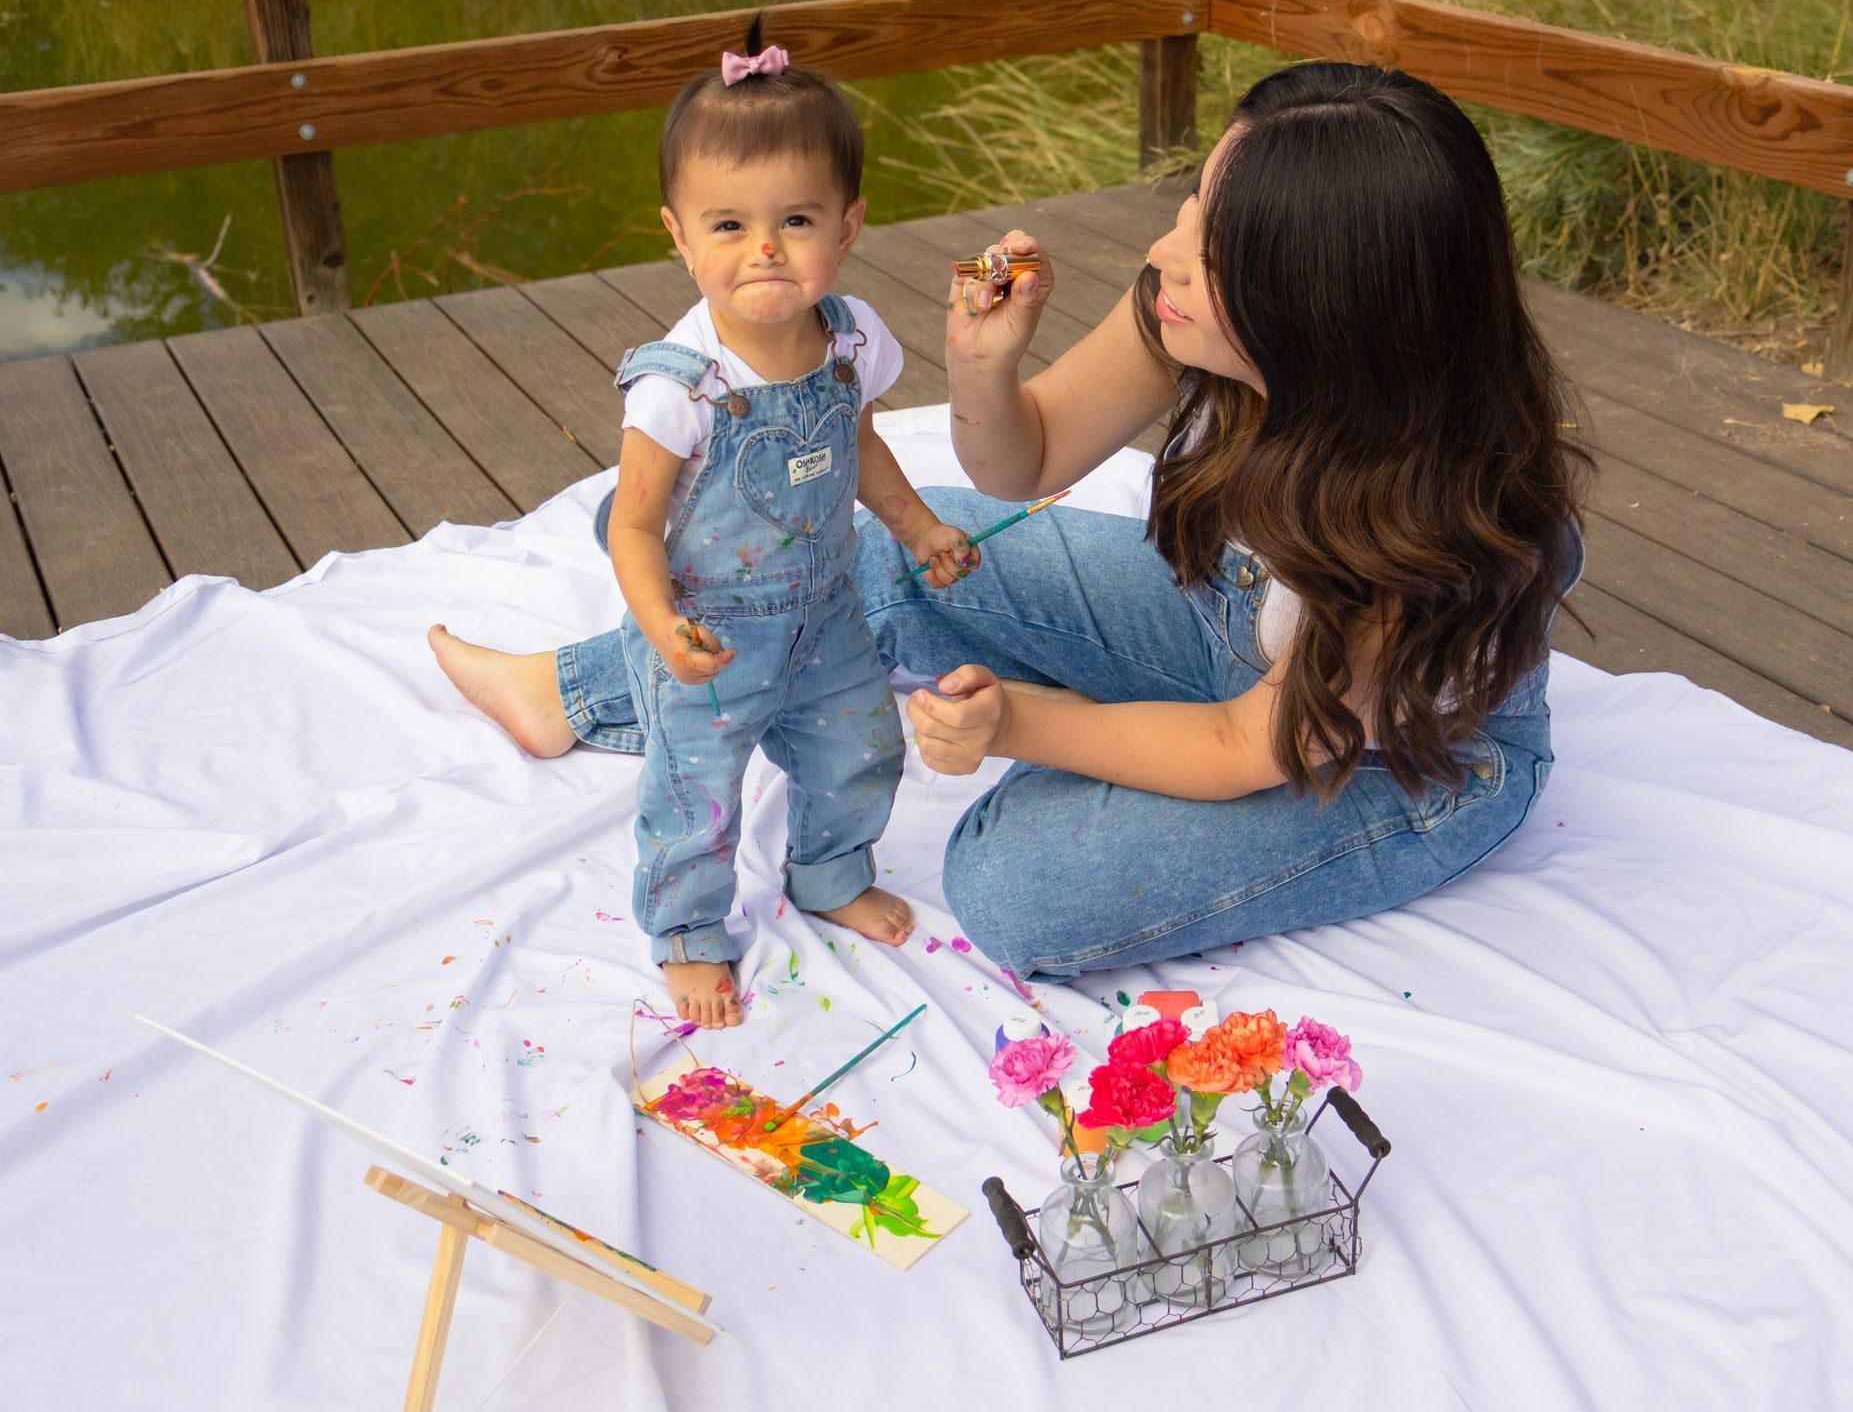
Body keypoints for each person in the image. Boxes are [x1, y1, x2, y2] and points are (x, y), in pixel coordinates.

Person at [432, 61, 1587, 985]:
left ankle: (1102, 759)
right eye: (1189, 209)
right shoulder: (1189, 304)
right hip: (1237, 631)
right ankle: (570, 691)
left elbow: (1249, 746)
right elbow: (1023, 458)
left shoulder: (1428, 522)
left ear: (1320, 309)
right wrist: (983, 365)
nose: (1163, 253)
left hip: (1393, 757)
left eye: (1212, 246)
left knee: (1009, 883)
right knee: (896, 554)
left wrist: (1020, 722)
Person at [433, 19, 977, 1029]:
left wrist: (919, 528)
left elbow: (860, 446)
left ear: (849, 227)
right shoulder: (680, 384)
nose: (764, 248)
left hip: (827, 609)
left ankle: (829, 873)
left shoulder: (851, 343)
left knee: (862, 746)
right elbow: (634, 528)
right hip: (712, 623)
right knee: (697, 788)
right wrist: (660, 627)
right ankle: (687, 929)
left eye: (796, 219)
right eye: (728, 224)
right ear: (679, 237)